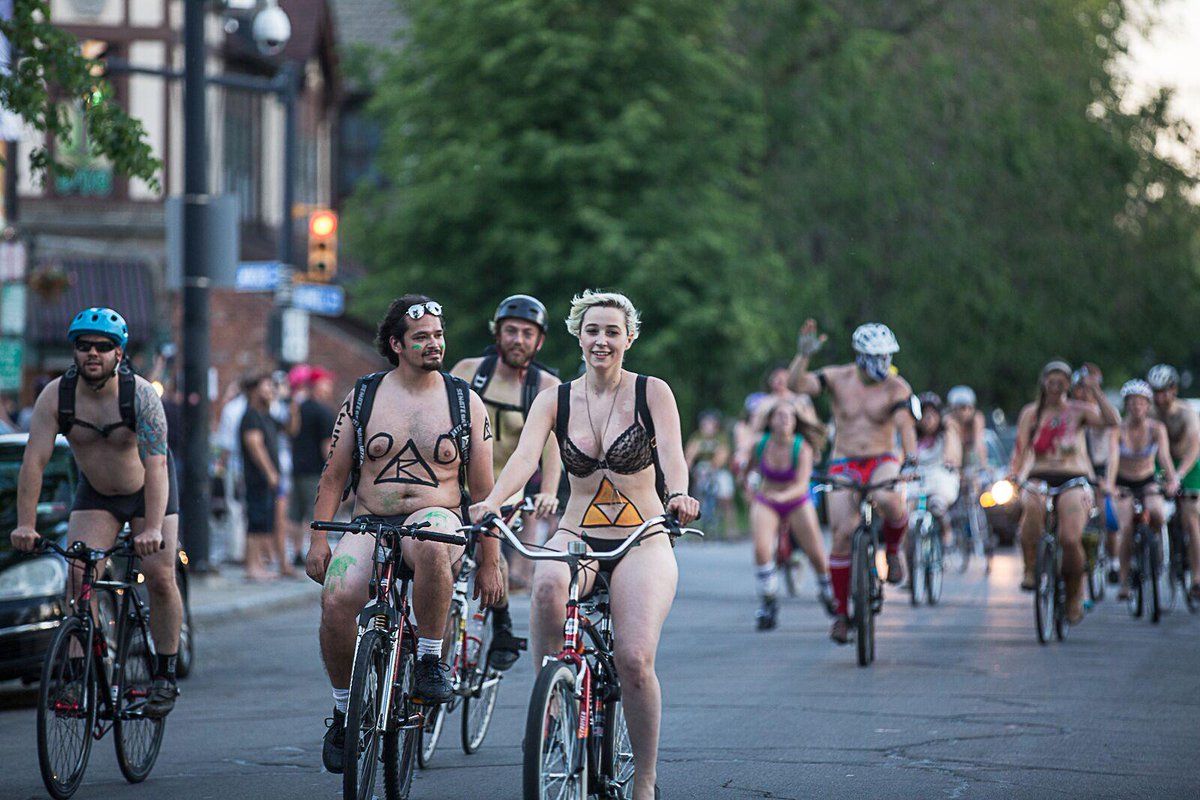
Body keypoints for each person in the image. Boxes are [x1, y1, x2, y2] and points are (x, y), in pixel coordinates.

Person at [469, 290, 699, 800]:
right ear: (579, 335)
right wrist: (492, 501)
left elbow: (674, 457)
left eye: (612, 331)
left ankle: (643, 782)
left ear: (629, 339)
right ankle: (551, 704)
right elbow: (526, 458)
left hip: (643, 536)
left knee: (634, 659)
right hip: (577, 533)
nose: (602, 340)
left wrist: (680, 494)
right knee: (548, 584)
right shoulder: (555, 398)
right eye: (593, 330)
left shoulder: (652, 392)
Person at [306, 295, 500, 775]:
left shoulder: (464, 401)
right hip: (370, 520)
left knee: (434, 539)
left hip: (436, 518)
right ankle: (343, 709)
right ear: (396, 344)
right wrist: (318, 539)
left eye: (438, 335)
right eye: (422, 338)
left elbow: (484, 490)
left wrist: (492, 559)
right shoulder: (365, 396)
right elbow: (334, 474)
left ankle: (431, 659)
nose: (434, 344)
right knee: (336, 596)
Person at [9, 307, 183, 717]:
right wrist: (25, 524)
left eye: (103, 347)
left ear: (118, 354)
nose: (93, 353)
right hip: (98, 494)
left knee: (159, 576)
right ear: (74, 351)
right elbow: (33, 462)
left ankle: (164, 673)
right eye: (84, 345)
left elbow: (157, 465)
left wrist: (153, 527)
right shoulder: (56, 396)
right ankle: (79, 671)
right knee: (78, 577)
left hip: (148, 491)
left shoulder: (139, 395)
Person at [786, 319, 919, 644]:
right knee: (843, 533)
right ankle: (842, 614)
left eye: (888, 356)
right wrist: (803, 356)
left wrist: (911, 458)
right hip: (843, 461)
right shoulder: (838, 377)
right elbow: (796, 385)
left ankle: (892, 551)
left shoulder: (896, 387)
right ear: (861, 356)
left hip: (882, 459)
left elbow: (905, 426)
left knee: (890, 499)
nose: (884, 364)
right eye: (877, 357)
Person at [449, 294, 562, 670]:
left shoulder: (545, 385)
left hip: (507, 494)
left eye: (527, 334)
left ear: (539, 341)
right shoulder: (469, 371)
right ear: (497, 333)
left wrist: (548, 491)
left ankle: (502, 625)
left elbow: (552, 448)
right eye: (510, 331)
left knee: (488, 553)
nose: (518, 339)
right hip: (458, 488)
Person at [1009, 361, 1118, 623]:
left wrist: (1095, 389)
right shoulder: (1031, 413)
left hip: (1073, 478)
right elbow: (1021, 448)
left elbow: (1112, 420)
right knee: (1031, 508)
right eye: (1051, 381)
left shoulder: (1079, 410)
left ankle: (1073, 594)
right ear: (1044, 382)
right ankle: (1030, 568)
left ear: (1069, 385)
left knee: (1070, 539)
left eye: (1062, 382)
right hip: (1039, 475)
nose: (1056, 387)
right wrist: (1014, 475)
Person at [746, 401, 833, 628]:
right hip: (767, 499)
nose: (785, 419)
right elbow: (748, 470)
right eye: (780, 415)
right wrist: (748, 487)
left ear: (795, 422)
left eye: (789, 416)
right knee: (762, 549)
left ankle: (827, 590)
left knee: (816, 552)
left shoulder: (802, 447)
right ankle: (768, 600)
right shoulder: (760, 445)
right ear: (770, 421)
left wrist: (782, 498)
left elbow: (802, 485)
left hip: (796, 501)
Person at [1110, 380, 1178, 599]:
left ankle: (1154, 547)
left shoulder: (1156, 428)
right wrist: (1110, 486)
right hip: (1123, 482)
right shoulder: (1118, 430)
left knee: (1157, 513)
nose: (1136, 407)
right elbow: (1112, 460)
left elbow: (1165, 457)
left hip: (1147, 479)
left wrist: (1172, 480)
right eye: (1132, 402)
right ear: (1126, 405)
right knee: (1126, 528)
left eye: (1140, 402)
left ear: (1148, 405)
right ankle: (1123, 581)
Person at [1147, 364, 1200, 601]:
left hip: (1188, 464)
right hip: (1158, 464)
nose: (1159, 397)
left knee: (1192, 517)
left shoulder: (1186, 412)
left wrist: (1178, 475)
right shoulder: (1148, 413)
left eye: (1163, 391)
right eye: (1155, 391)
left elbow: (1194, 447)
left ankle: (1198, 577)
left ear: (1173, 389)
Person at [1072, 369, 1120, 581]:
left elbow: (1113, 448)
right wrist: (1090, 477)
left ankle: (1114, 560)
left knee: (1108, 513)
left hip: (1103, 468)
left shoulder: (1101, 412)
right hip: (1082, 469)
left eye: (1086, 388)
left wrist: (1107, 481)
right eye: (1080, 388)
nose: (1083, 392)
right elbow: (1080, 451)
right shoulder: (1073, 412)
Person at [287, 365, 335, 569]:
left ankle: (296, 552)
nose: (329, 387)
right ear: (317, 385)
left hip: (297, 467)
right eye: (326, 383)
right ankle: (310, 551)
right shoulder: (324, 412)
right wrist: (333, 470)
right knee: (313, 513)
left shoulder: (299, 408)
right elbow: (328, 445)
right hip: (315, 470)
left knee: (295, 514)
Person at [240, 372, 284, 581]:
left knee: (263, 521)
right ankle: (252, 566)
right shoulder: (250, 415)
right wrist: (270, 472)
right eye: (266, 386)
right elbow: (254, 445)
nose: (271, 390)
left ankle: (258, 564)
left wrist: (288, 400)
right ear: (254, 390)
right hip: (257, 478)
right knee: (256, 521)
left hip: (265, 480)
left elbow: (291, 428)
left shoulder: (266, 415)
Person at [912, 392, 962, 547]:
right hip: (918, 480)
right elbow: (903, 456)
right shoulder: (913, 437)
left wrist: (950, 460)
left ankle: (946, 532)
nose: (928, 419)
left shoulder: (945, 434)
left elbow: (953, 456)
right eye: (924, 415)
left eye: (932, 414)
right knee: (905, 511)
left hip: (939, 478)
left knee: (937, 505)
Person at [684, 410, 737, 537]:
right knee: (698, 494)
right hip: (702, 469)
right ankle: (696, 525)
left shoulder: (720, 437)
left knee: (726, 497)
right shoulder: (697, 437)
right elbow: (690, 454)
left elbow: (723, 454)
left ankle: (731, 529)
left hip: (718, 470)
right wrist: (688, 468)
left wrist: (714, 467)